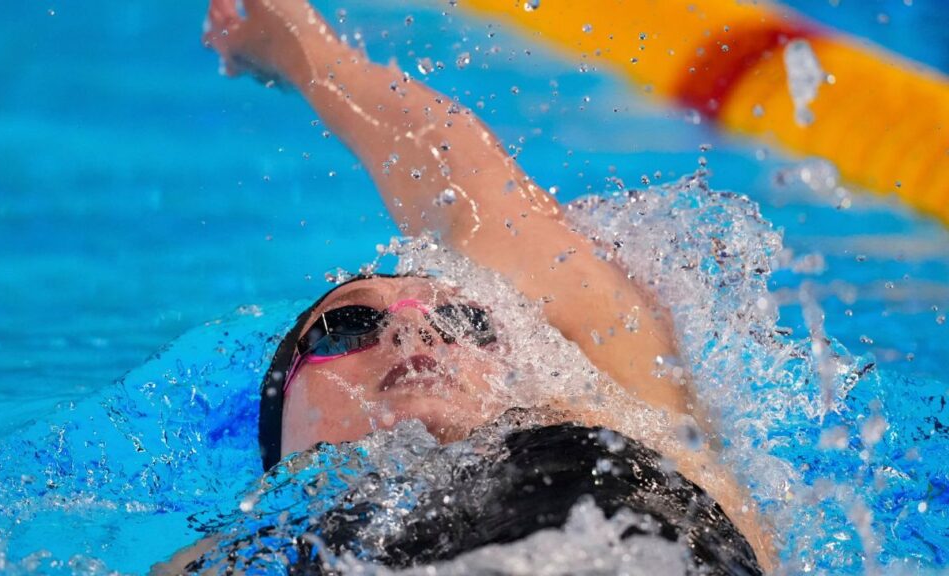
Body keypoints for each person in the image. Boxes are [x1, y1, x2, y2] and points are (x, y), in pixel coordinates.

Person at [164, 0, 776, 572]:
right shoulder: (228, 555)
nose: (413, 327)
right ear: (277, 441)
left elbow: (474, 197)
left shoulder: (642, 426)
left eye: (468, 322)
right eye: (348, 325)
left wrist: (306, 51)